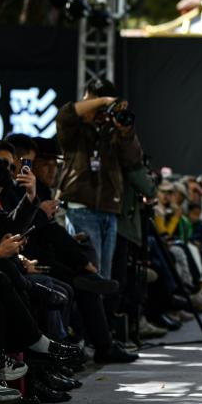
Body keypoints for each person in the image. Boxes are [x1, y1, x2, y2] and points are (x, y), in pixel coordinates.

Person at [56, 78, 142, 279]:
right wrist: (103, 101)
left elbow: (133, 159)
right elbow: (65, 115)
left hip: (110, 210)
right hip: (81, 207)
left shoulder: (112, 132)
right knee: (90, 274)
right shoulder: (75, 131)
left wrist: (125, 132)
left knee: (104, 276)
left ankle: (103, 302)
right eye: (90, 101)